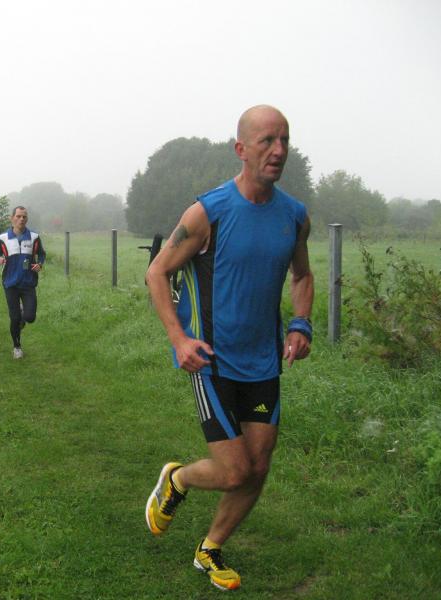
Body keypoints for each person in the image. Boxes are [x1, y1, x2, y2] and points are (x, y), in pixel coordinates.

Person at [143, 105, 314, 592]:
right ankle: (178, 479)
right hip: (212, 360)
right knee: (235, 469)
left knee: (258, 466)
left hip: (264, 361)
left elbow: (303, 275)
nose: (278, 150)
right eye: (267, 141)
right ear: (241, 149)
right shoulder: (208, 212)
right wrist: (179, 338)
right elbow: (157, 272)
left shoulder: (294, 215)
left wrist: (300, 323)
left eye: (284, 140)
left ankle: (210, 548)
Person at [0, 206, 46, 359]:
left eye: (24, 217)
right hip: (10, 284)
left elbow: (42, 254)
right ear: (12, 218)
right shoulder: (3, 238)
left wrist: (39, 264)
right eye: (19, 216)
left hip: (28, 283)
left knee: (30, 317)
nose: (21, 219)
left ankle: (23, 315)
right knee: (14, 319)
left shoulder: (34, 237)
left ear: (27, 219)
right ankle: (17, 347)